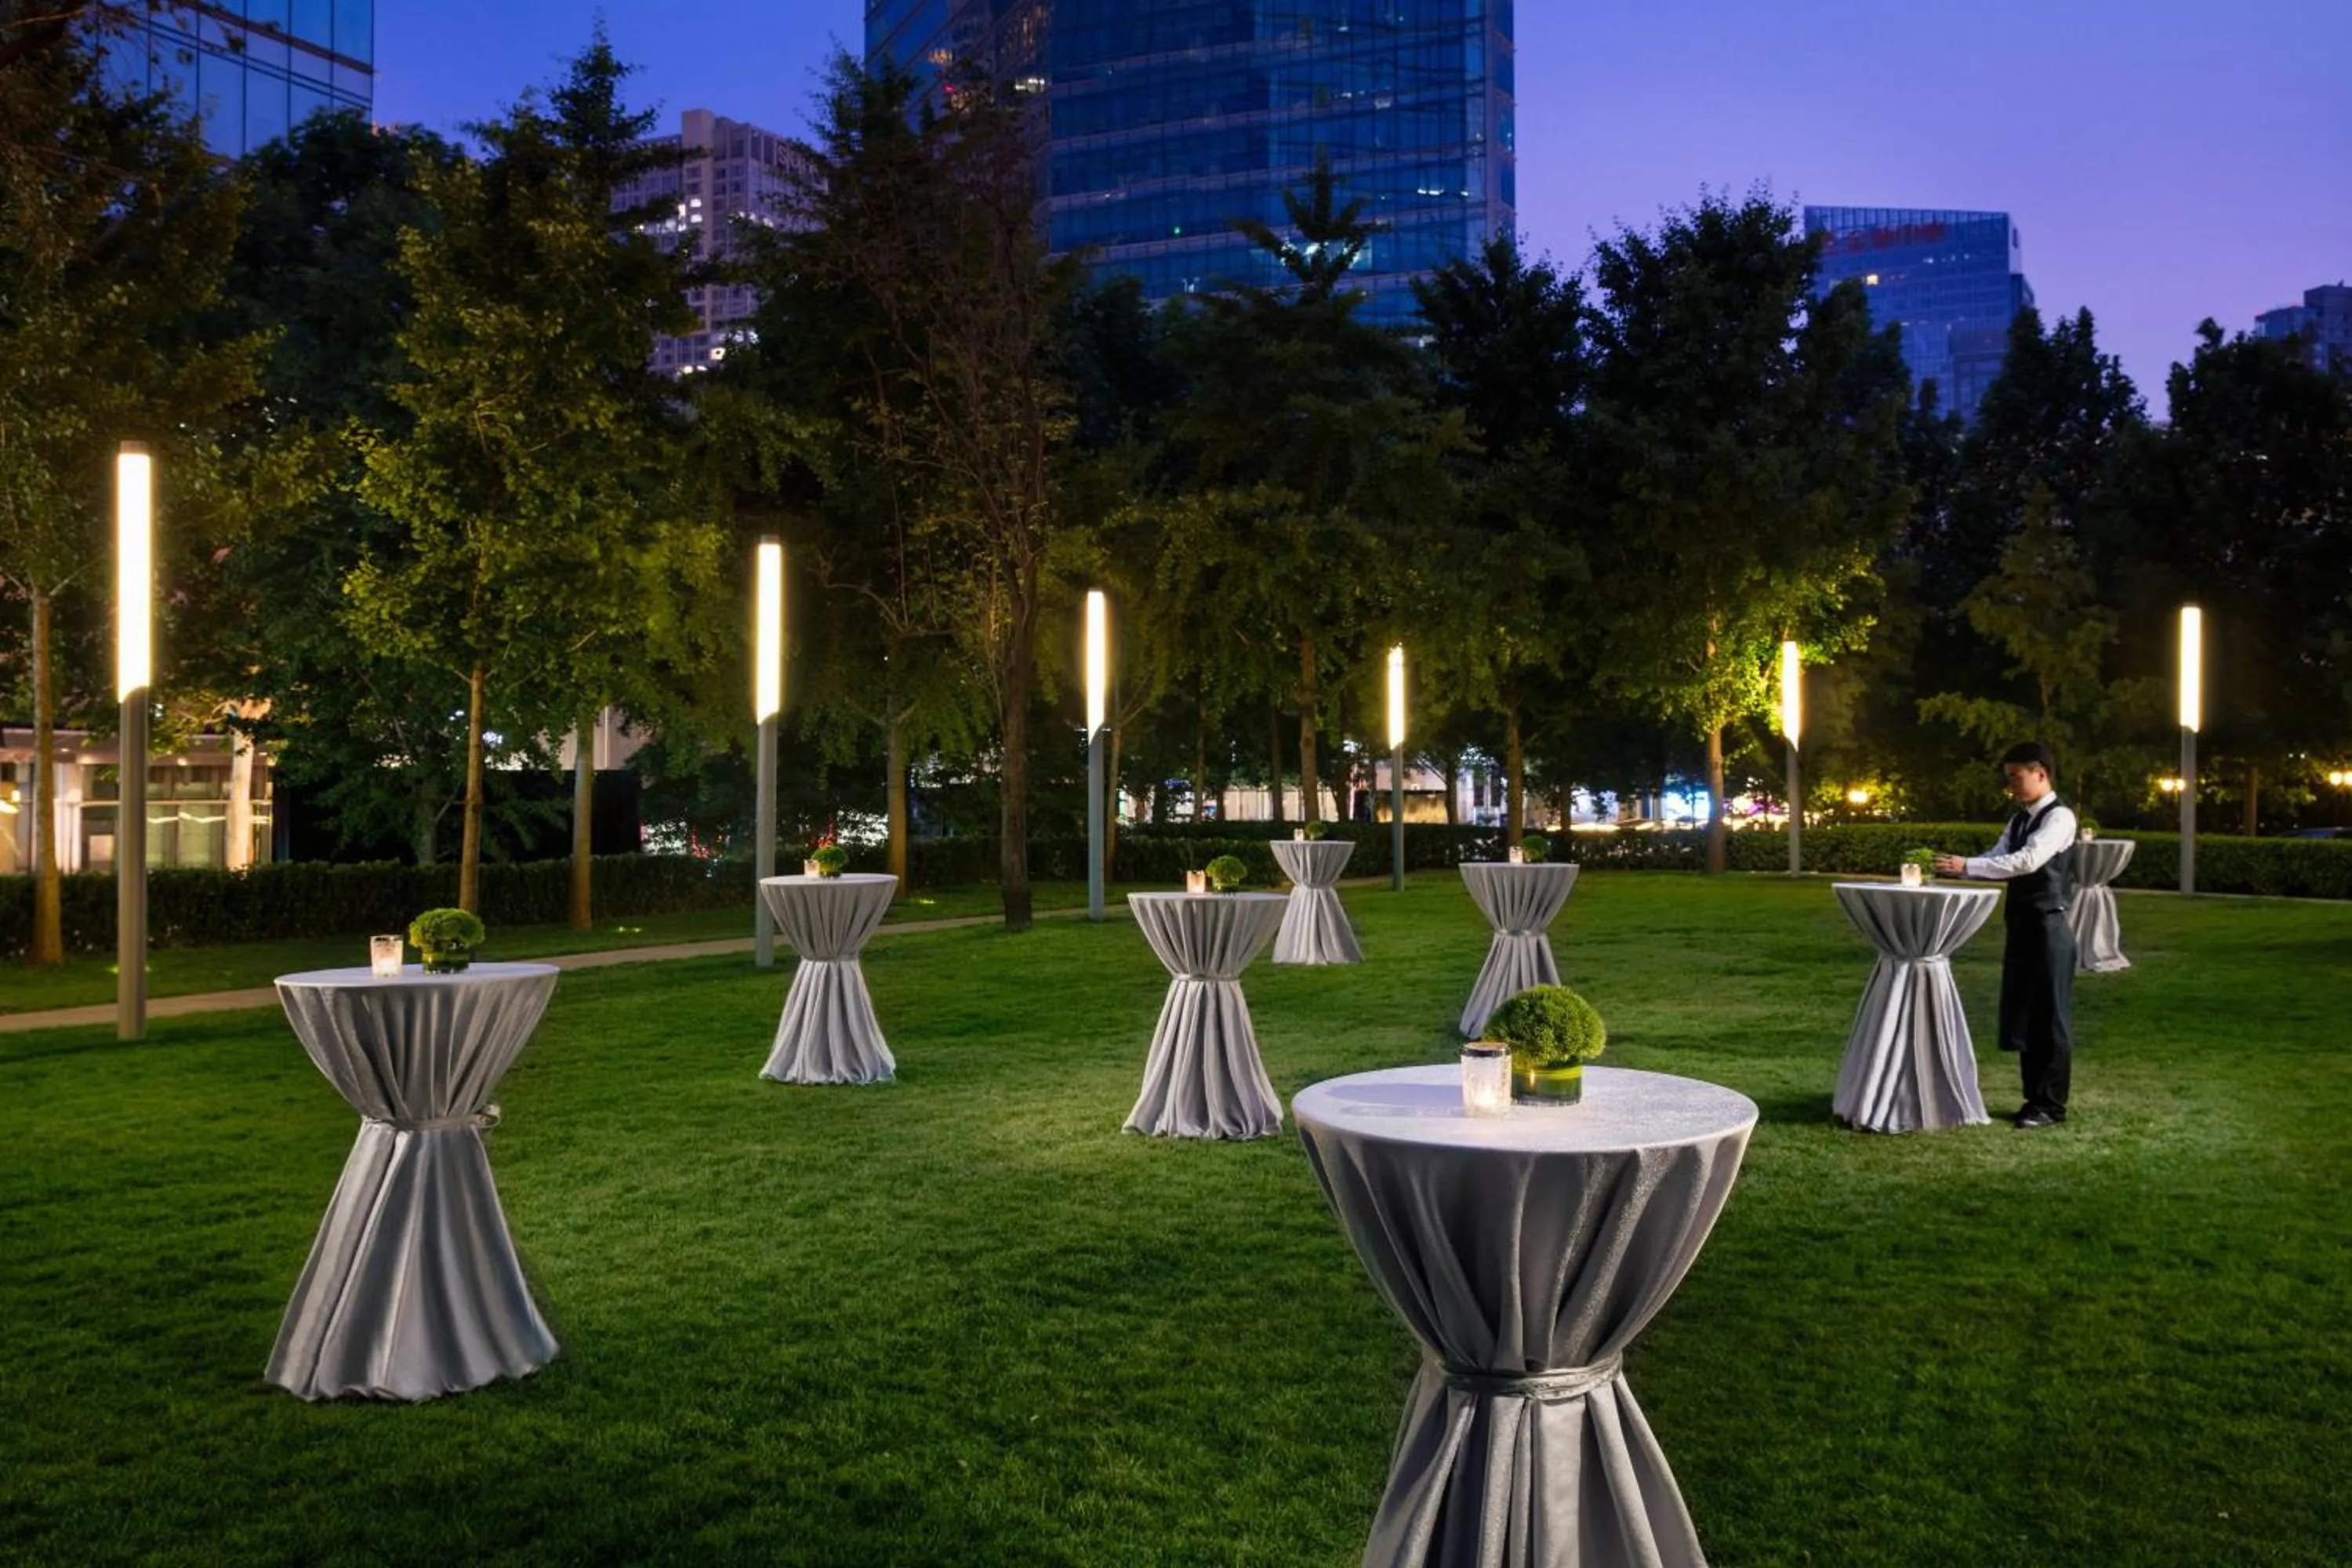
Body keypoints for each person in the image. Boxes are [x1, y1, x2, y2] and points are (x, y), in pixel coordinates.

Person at [1935, 742, 2079, 1130]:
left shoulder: (2060, 818)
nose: (2011, 786)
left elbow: (2027, 860)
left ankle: (2051, 1105)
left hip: (2050, 927)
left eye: (2016, 778)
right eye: (2009, 779)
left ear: (2040, 774)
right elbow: (2000, 854)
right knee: (2027, 1015)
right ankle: (2034, 1099)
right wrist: (1961, 869)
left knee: (2050, 1019)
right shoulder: (2018, 821)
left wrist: (1969, 865)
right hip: (2023, 927)